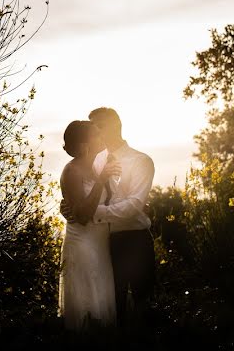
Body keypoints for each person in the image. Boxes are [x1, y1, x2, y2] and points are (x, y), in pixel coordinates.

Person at [61, 107, 156, 328]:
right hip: (103, 242)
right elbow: (79, 193)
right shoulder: (93, 160)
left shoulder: (140, 160)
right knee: (111, 306)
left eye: (100, 126)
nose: (95, 131)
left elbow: (133, 205)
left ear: (117, 126)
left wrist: (92, 213)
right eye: (93, 127)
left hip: (134, 239)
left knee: (142, 305)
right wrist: (68, 206)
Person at [58, 119, 122, 331]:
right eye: (96, 134)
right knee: (89, 304)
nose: (101, 136)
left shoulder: (97, 166)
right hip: (83, 245)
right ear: (85, 145)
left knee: (103, 301)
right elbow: (83, 216)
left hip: (101, 243)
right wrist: (101, 180)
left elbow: (109, 199)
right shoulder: (72, 171)